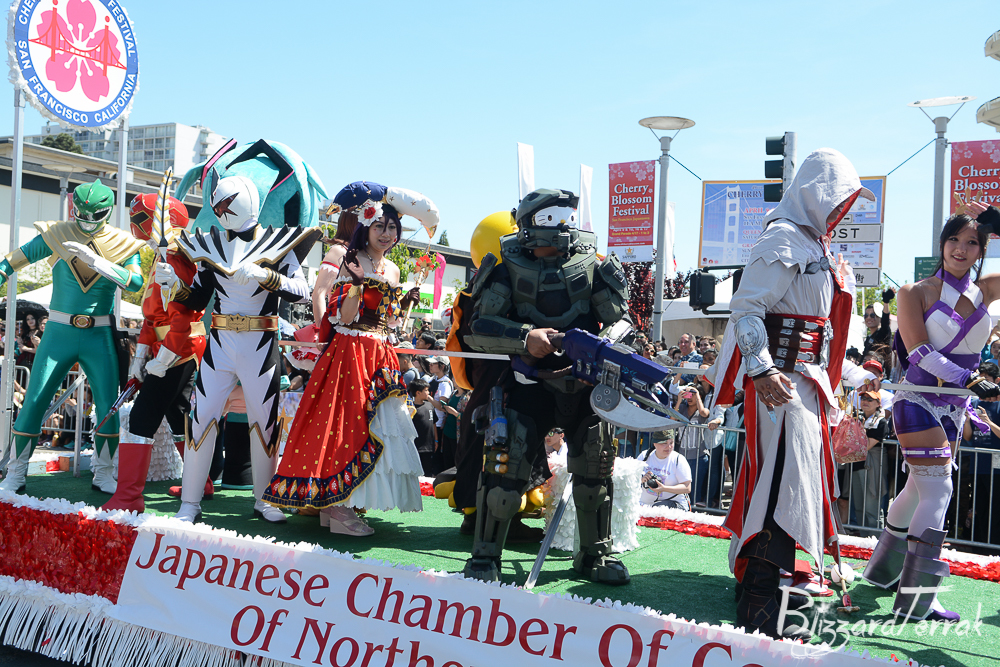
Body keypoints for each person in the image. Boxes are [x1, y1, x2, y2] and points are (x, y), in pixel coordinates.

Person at [707, 148, 880, 639]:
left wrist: (846, 376)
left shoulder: (812, 243)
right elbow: (746, 309)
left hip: (804, 383)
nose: (842, 209)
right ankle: (761, 599)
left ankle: (766, 583)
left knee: (791, 480)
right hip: (781, 385)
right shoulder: (783, 237)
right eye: (839, 198)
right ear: (817, 192)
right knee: (779, 481)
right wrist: (761, 369)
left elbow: (821, 329)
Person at [460, 188, 631, 585]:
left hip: (585, 382)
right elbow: (478, 328)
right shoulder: (504, 265)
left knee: (595, 473)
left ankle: (594, 555)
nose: (562, 227)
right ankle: (485, 558)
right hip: (528, 382)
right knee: (504, 473)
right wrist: (525, 337)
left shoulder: (592, 264)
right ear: (529, 224)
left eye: (566, 218)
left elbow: (622, 321)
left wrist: (602, 348)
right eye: (551, 219)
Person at [262, 181, 434, 535]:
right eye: (379, 226)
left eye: (392, 228)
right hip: (349, 352)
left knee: (374, 426)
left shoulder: (393, 270)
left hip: (379, 353)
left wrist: (402, 304)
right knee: (343, 426)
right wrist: (354, 288)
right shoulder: (347, 258)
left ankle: (345, 502)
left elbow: (389, 321)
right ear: (365, 226)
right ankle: (336, 506)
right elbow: (341, 313)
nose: (386, 234)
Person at [165, 150, 322, 524]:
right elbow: (197, 297)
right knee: (202, 418)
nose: (221, 211)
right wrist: (173, 285)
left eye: (226, 204)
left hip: (260, 344)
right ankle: (190, 502)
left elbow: (302, 290)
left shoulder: (278, 244)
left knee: (264, 421)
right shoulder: (211, 245)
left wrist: (267, 277)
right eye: (217, 206)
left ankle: (265, 500)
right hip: (220, 342)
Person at [863, 203, 1000, 622]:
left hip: (954, 409)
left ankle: (882, 571)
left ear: (982, 249)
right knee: (939, 490)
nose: (960, 248)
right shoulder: (914, 291)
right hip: (917, 399)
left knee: (916, 489)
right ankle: (918, 598)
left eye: (971, 242)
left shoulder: (985, 290)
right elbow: (920, 351)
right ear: (941, 244)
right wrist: (969, 378)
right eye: (953, 239)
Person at [0, 182, 144, 495]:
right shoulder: (58, 234)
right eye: (83, 213)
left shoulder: (121, 242)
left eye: (95, 214)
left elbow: (135, 282)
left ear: (108, 211)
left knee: (107, 405)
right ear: (74, 208)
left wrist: (99, 263)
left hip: (99, 334)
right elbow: (14, 260)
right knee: (34, 401)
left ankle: (103, 473)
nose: (88, 220)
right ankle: (16, 473)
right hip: (58, 332)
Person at [102, 194, 207, 513]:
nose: (135, 223)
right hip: (172, 345)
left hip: (179, 346)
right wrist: (141, 359)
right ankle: (200, 482)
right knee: (177, 413)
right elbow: (153, 317)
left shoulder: (176, 257)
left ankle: (129, 496)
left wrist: (162, 359)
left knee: (142, 416)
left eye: (140, 216)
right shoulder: (165, 256)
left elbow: (182, 315)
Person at [311, 203, 359, 323]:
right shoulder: (339, 251)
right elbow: (318, 295)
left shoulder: (366, 255)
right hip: (339, 328)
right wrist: (322, 330)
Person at [847, 389, 888, 529]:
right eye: (863, 398)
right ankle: (863, 538)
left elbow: (866, 445)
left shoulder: (881, 422)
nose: (865, 402)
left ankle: (876, 539)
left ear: (878, 403)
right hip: (856, 464)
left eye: (870, 399)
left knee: (872, 508)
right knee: (859, 507)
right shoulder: (856, 418)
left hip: (873, 466)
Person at [638, 430, 692, 510]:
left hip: (673, 505)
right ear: (655, 443)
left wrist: (664, 488)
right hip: (645, 505)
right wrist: (641, 479)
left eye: (671, 443)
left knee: (658, 508)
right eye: (664, 443)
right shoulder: (644, 456)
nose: (669, 447)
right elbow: (632, 479)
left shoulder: (678, 459)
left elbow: (687, 488)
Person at [409, 378, 439, 476]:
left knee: (428, 471)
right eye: (426, 390)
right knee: (417, 472)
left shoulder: (429, 405)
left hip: (429, 445)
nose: (428, 393)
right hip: (417, 446)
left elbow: (434, 423)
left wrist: (436, 440)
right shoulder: (411, 409)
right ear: (418, 393)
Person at [863, 288, 895, 358]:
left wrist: (886, 302)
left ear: (880, 317)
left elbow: (885, 321)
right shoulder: (868, 338)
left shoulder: (883, 333)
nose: (868, 318)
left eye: (872, 315)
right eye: (866, 315)